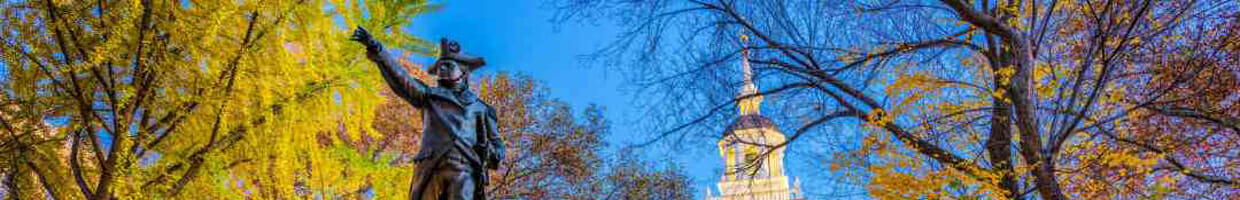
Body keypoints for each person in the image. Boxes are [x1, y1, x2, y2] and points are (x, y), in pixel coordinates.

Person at [350, 26, 504, 200]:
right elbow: (402, 79)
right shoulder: (429, 96)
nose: (441, 69)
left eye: (447, 65)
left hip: (464, 170)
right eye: (439, 66)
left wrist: (487, 150)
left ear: (463, 72)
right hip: (430, 169)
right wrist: (378, 50)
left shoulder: (482, 109)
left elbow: (498, 150)